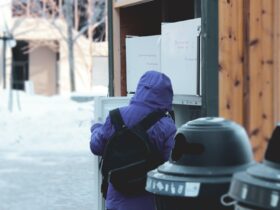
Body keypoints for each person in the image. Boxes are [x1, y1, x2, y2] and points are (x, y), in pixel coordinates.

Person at [90, 70, 177, 210]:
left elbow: (96, 146)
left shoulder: (116, 116)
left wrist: (96, 128)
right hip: (149, 201)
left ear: (140, 89)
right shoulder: (167, 125)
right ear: (166, 95)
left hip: (116, 201)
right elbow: (171, 164)